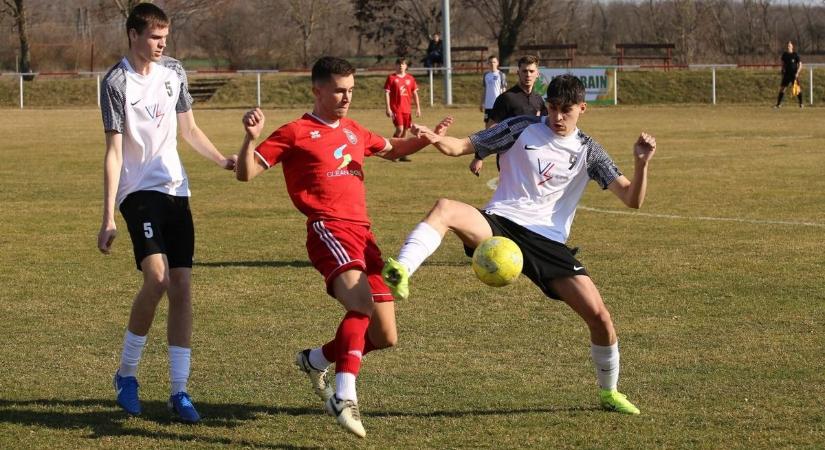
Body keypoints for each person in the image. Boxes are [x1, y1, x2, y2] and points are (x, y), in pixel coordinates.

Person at [382, 74, 656, 416]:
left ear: (582, 109)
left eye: (565, 111)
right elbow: (460, 147)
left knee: (600, 317)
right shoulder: (520, 127)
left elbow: (632, 199)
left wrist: (641, 163)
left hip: (548, 242)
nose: (556, 117)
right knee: (445, 208)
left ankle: (609, 392)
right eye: (552, 108)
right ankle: (401, 270)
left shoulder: (589, 150)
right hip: (501, 224)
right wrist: (437, 139)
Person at [235, 56, 451, 438]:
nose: (345, 97)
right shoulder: (296, 131)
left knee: (385, 336)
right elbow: (247, 172)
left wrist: (426, 138)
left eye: (350, 90)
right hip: (328, 230)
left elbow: (393, 149)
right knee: (361, 306)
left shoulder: (353, 129)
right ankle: (343, 396)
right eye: (338, 90)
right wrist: (250, 140)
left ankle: (315, 359)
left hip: (364, 236)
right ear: (317, 90)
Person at [97, 3, 236, 423]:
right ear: (133, 35)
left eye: (165, 38)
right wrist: (107, 216)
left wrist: (221, 160)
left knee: (181, 287)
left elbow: (189, 129)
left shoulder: (175, 71)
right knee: (156, 278)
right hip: (138, 191)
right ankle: (126, 374)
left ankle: (179, 391)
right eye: (155, 37)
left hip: (178, 190)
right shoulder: (116, 82)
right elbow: (114, 150)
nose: (162, 45)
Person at [472, 55, 547, 175]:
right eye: (524, 71)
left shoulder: (539, 100)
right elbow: (491, 129)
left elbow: (546, 129)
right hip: (509, 159)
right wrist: (479, 156)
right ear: (518, 72)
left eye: (531, 71)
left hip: (533, 159)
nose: (528, 75)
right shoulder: (506, 98)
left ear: (537, 74)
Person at [384, 57, 421, 162]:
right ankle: (390, 151)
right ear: (395, 66)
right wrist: (388, 108)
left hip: (407, 109)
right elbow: (387, 93)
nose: (401, 65)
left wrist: (418, 108)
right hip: (396, 109)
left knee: (405, 131)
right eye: (399, 64)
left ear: (406, 66)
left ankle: (402, 155)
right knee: (399, 129)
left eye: (403, 64)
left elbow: (415, 93)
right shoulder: (391, 78)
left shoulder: (410, 78)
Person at [479, 55, 507, 127]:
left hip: (497, 105)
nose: (492, 64)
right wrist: (482, 103)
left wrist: (504, 103)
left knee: (498, 125)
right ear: (488, 63)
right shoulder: (486, 75)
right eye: (490, 62)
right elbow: (484, 90)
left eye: (494, 62)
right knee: (487, 124)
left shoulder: (501, 74)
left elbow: (504, 91)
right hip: (488, 105)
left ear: (497, 63)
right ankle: (487, 138)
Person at [775, 41, 803, 109]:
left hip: (794, 75)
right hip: (786, 74)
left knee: (797, 89)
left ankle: (801, 104)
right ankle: (778, 104)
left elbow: (800, 65)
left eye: (789, 46)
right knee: (782, 89)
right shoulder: (784, 55)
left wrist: (797, 73)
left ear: (792, 47)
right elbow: (782, 64)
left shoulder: (795, 54)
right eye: (787, 46)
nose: (788, 47)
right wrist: (782, 70)